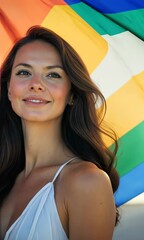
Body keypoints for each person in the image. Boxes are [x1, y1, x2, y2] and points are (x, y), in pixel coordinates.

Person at [0, 26, 119, 240]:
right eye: (24, 72)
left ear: (72, 94)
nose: (36, 84)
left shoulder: (86, 181)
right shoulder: (5, 177)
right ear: (10, 89)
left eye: (53, 74)